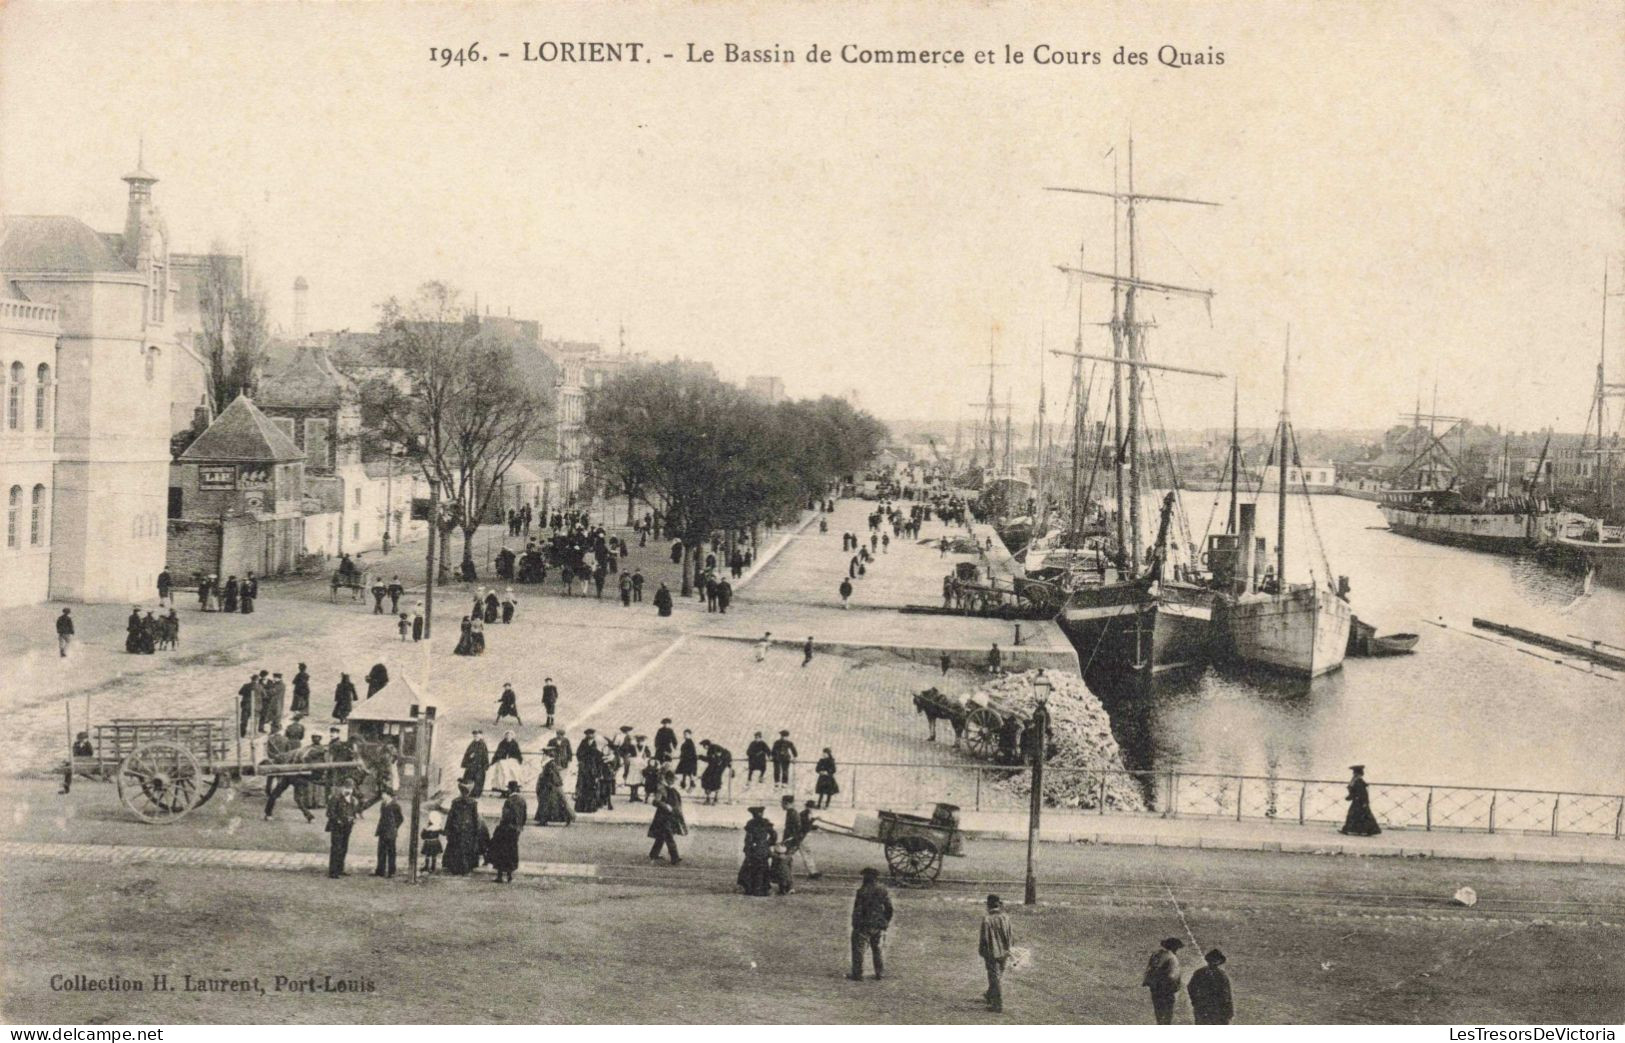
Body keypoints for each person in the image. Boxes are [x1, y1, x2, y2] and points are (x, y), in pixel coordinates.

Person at [849, 867, 893, 981]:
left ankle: (857, 974)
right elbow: (889, 908)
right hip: (878, 924)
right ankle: (879, 973)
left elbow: (857, 910)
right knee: (877, 949)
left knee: (858, 948)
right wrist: (885, 921)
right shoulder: (882, 890)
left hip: (864, 924)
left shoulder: (862, 891)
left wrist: (855, 923)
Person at [441, 781, 486, 876]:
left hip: (456, 828)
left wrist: (447, 829)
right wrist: (476, 830)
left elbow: (450, 816)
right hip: (467, 829)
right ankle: (465, 868)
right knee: (466, 848)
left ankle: (456, 868)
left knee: (456, 847)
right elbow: (475, 818)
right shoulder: (473, 803)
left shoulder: (456, 802)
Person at [979, 894, 1014, 1014]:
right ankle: (989, 994)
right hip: (1004, 951)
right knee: (998, 975)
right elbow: (1010, 934)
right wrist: (1009, 948)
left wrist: (982, 951)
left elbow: (984, 938)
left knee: (994, 977)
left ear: (988, 905)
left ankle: (997, 1004)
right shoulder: (1005, 917)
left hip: (992, 952)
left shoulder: (987, 919)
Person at [488, 781, 527, 883]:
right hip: (516, 830)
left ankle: (500, 875)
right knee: (512, 851)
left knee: (501, 851)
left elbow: (505, 816)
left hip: (506, 829)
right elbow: (524, 816)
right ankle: (509, 875)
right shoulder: (522, 800)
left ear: (510, 789)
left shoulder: (509, 801)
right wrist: (520, 827)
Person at [1143, 937, 1185, 1025]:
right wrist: (1176, 987)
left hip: (1155, 988)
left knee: (1158, 1012)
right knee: (1167, 1015)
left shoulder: (1156, 954)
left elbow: (1149, 970)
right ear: (1174, 947)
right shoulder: (1172, 958)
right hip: (1166, 990)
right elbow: (1173, 976)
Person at [737, 806, 776, 897]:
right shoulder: (766, 822)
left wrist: (747, 849)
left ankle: (750, 888)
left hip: (754, 849)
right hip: (763, 849)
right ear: (762, 814)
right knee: (763, 869)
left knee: (749, 869)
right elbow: (774, 835)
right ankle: (763, 888)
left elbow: (748, 839)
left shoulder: (750, 824)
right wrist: (768, 843)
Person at [1187, 949, 1234, 1024]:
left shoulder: (1200, 972)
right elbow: (1226, 995)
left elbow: (1191, 988)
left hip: (1205, 1008)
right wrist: (1229, 1010)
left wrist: (1195, 1001)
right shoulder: (1221, 974)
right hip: (1216, 1009)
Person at [647, 772, 686, 864]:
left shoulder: (671, 789)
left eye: (673, 780)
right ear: (667, 779)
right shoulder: (661, 789)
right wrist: (666, 806)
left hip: (670, 816)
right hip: (662, 817)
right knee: (668, 836)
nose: (673, 781)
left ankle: (653, 854)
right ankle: (675, 857)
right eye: (672, 779)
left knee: (661, 836)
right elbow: (655, 801)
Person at [325, 778, 360, 879]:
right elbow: (329, 813)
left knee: (344, 848)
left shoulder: (353, 799)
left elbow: (354, 811)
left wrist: (354, 818)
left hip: (347, 827)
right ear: (343, 788)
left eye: (351, 788)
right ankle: (333, 871)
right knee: (336, 848)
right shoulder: (335, 798)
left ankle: (340, 869)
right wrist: (338, 820)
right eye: (347, 788)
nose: (349, 790)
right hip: (337, 827)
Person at [1340, 764, 1382, 836]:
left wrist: (1363, 802)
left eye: (1355, 773)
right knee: (1359, 816)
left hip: (1359, 802)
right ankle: (1360, 830)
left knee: (1356, 815)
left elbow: (1361, 793)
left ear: (1357, 774)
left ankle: (1361, 830)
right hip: (1359, 801)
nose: (1354, 774)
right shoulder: (1358, 781)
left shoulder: (1358, 781)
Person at [574, 729, 608, 813]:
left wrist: (598, 770)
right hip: (584, 768)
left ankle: (591, 807)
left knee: (592, 788)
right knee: (583, 787)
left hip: (593, 768)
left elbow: (600, 757)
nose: (590, 735)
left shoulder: (597, 743)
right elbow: (578, 753)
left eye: (591, 734)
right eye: (588, 734)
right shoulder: (583, 742)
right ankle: (581, 807)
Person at [534, 756, 575, 826]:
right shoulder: (551, 764)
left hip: (550, 788)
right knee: (557, 804)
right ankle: (567, 818)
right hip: (551, 788)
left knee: (547, 805)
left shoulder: (550, 764)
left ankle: (544, 820)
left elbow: (551, 776)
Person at [374, 793, 404, 878]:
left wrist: (395, 827)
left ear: (388, 796)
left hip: (390, 832)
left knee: (391, 852)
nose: (382, 796)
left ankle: (391, 871)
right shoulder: (383, 805)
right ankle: (380, 870)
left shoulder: (395, 806)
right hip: (382, 831)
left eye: (384, 795)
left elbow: (400, 819)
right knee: (381, 851)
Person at [488, 729, 524, 795]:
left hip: (512, 761)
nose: (508, 737)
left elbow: (518, 753)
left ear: (512, 736)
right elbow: (498, 752)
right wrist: (494, 760)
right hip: (503, 761)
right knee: (503, 773)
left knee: (514, 773)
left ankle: (513, 789)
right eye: (507, 735)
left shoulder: (514, 743)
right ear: (505, 736)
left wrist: (519, 759)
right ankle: (504, 790)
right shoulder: (502, 743)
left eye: (510, 735)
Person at [699, 740, 732, 804]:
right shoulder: (713, 748)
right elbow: (711, 759)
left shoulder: (713, 748)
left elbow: (712, 759)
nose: (703, 747)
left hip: (719, 765)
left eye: (704, 745)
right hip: (717, 765)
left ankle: (713, 798)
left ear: (707, 745)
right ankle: (712, 798)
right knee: (709, 777)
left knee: (711, 778)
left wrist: (701, 757)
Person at [461, 728, 491, 796]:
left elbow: (485, 755)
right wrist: (469, 756)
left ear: (480, 736)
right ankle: (467, 792)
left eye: (477, 736)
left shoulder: (483, 744)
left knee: (478, 780)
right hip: (471, 765)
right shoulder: (472, 743)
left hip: (479, 766)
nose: (476, 737)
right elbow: (467, 753)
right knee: (468, 778)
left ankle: (476, 794)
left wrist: (485, 765)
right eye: (474, 736)